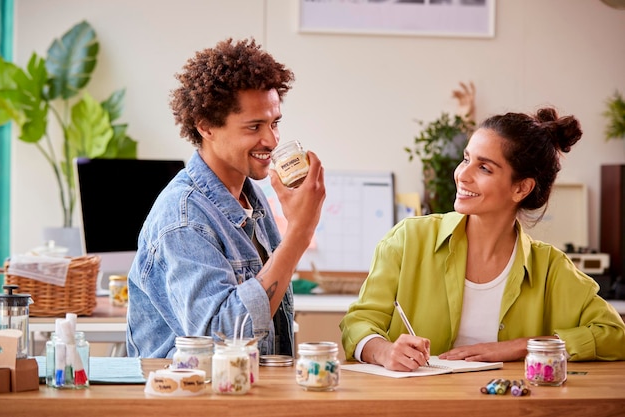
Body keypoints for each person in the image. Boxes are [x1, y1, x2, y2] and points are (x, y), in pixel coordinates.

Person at [340, 107, 625, 371]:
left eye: (484, 167)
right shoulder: (408, 240)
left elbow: (615, 334)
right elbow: (358, 324)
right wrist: (384, 351)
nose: (462, 175)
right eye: (466, 159)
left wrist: (522, 346)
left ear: (521, 188)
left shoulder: (551, 268)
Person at [126, 38, 325, 358]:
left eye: (275, 123)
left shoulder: (251, 197)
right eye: (254, 126)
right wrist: (299, 232)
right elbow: (223, 339)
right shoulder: (184, 219)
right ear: (206, 126)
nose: (272, 140)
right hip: (189, 401)